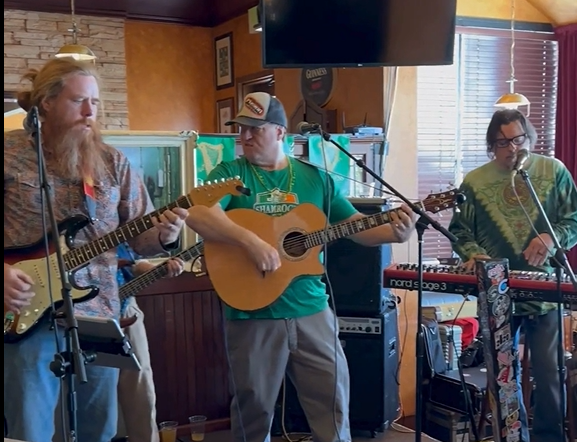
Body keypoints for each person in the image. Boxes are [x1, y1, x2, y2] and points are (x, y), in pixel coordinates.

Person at [184, 92, 417, 442]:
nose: (244, 137)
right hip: (252, 311)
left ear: (279, 132)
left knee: (332, 399)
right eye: (241, 129)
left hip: (310, 306)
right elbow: (199, 212)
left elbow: (355, 225)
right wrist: (252, 242)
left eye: (254, 129)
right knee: (254, 407)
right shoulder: (230, 172)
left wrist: (397, 233)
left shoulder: (315, 178)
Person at [3, 58, 189, 442]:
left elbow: (140, 238)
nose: (90, 112)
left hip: (97, 315)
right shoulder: (8, 154)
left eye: (95, 102)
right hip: (26, 314)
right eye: (78, 101)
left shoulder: (113, 162)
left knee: (99, 430)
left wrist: (166, 234)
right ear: (47, 103)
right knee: (30, 431)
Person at [448, 109, 577, 442]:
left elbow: (574, 219)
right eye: (503, 142)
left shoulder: (553, 171)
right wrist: (473, 254)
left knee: (550, 375)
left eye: (518, 139)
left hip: (546, 293)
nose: (512, 148)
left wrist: (551, 238)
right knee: (504, 376)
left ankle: (550, 438)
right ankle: (513, 437)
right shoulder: (475, 182)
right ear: (492, 145)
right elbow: (460, 231)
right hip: (497, 292)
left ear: (529, 137)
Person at [115, 243, 185, 442]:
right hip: (80, 312)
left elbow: (133, 261)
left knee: (140, 384)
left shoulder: (116, 215)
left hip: (126, 307)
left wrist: (156, 270)